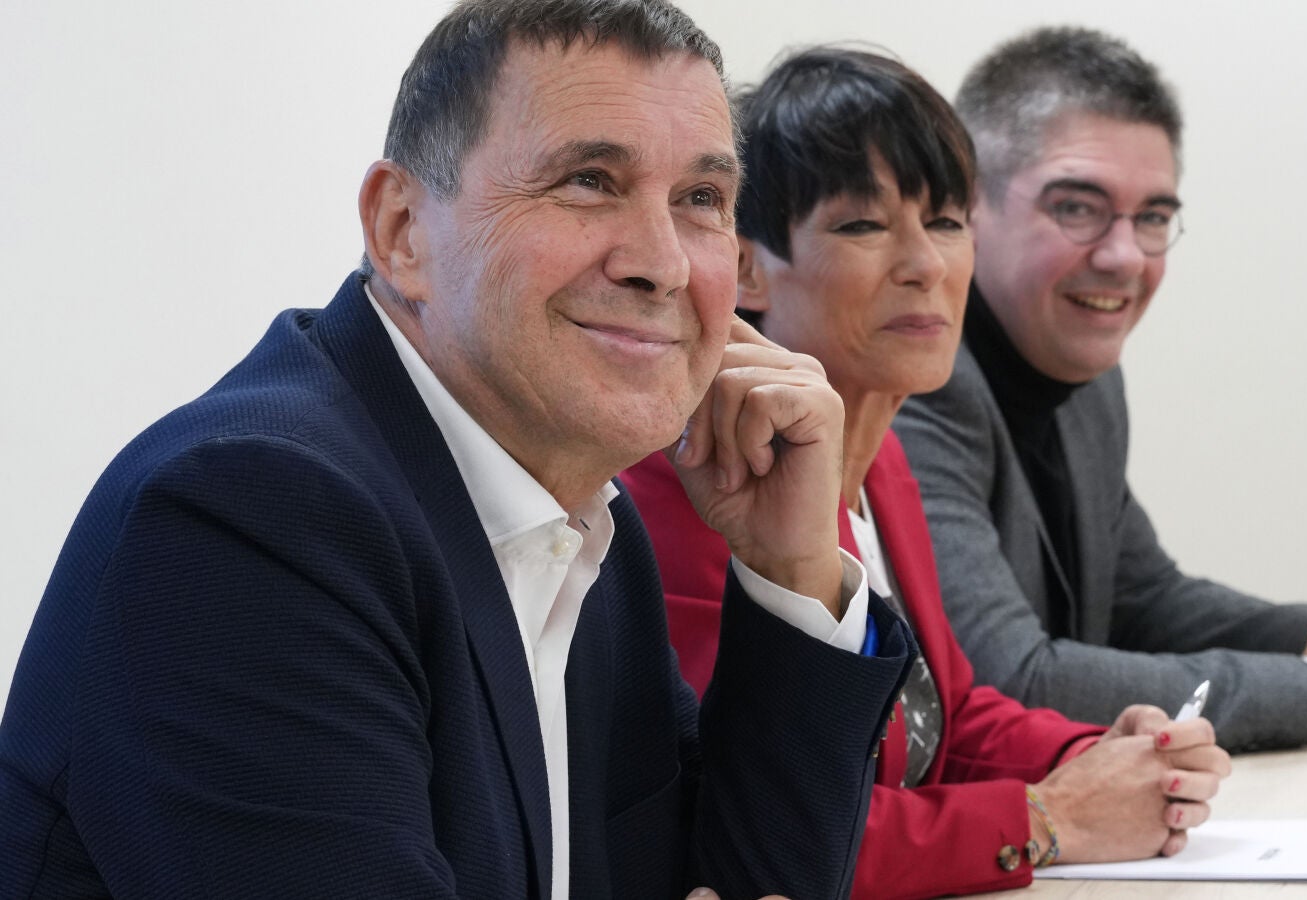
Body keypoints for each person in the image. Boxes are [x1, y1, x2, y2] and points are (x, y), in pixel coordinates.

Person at [0, 3, 917, 898]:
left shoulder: (585, 524)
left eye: (701, 200)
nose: (663, 263)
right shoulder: (253, 514)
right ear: (401, 230)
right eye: (589, 181)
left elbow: (749, 883)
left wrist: (792, 570)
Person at [621, 47, 1230, 900]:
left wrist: (1101, 754)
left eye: (946, 222)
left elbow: (945, 713)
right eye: (864, 227)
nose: (926, 266)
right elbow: (759, 823)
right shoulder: (685, 477)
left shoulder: (884, 459)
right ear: (746, 265)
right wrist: (1046, 818)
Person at [892, 25, 1307, 753]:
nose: (1124, 256)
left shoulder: (1082, 373)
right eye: (1076, 207)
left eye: (1152, 218)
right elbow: (1007, 682)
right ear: (967, 208)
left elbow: (1143, 602)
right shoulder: (913, 382)